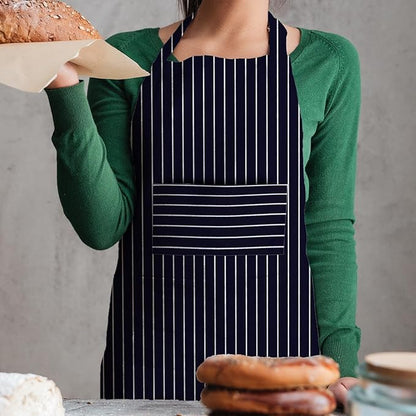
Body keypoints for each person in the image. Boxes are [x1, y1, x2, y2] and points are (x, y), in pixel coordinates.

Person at [44, 0, 362, 408]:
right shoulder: (125, 58)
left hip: (288, 362)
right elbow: (101, 226)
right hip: (152, 360)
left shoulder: (329, 62)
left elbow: (328, 226)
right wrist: (66, 93)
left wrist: (341, 364)